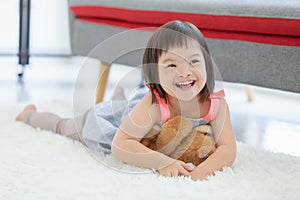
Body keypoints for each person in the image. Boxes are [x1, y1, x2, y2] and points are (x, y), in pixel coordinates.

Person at [16, 20, 236, 181]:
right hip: (110, 126)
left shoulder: (215, 104)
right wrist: (162, 162)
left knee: (128, 110)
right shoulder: (155, 103)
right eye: (171, 65)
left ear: (207, 64)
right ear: (154, 74)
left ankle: (119, 98)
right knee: (64, 127)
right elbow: (120, 144)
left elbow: (228, 148)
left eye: (194, 61)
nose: (185, 72)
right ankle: (29, 114)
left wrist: (200, 174)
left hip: (133, 117)